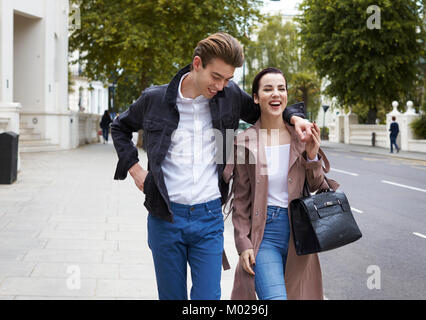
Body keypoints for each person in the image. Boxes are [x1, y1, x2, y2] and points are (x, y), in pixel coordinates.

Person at [110, 33, 315, 300]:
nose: (221, 85)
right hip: (165, 217)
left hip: (208, 219)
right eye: (216, 77)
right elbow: (119, 126)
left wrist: (295, 117)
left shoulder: (228, 96)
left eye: (228, 79)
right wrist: (136, 171)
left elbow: (267, 107)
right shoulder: (155, 99)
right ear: (197, 64)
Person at [223, 68, 339, 300]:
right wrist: (243, 243)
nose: (276, 94)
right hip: (264, 234)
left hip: (300, 235)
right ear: (256, 98)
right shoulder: (245, 142)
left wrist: (312, 156)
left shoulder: (301, 136)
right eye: (268, 89)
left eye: (281, 88)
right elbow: (242, 200)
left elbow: (317, 185)